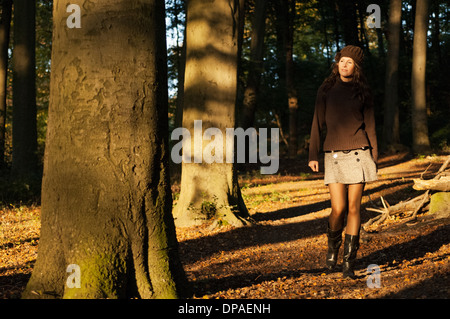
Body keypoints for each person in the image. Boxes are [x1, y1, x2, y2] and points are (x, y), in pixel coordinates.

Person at [308, 45, 378, 279]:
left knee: (355, 208)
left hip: (360, 152)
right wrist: (312, 155)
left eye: (349, 62)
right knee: (338, 209)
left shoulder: (363, 91)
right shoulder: (326, 89)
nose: (344, 65)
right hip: (334, 154)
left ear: (355, 67)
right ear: (336, 64)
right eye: (341, 61)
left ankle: (349, 263)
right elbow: (316, 123)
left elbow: (370, 126)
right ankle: (332, 248)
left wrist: (374, 158)